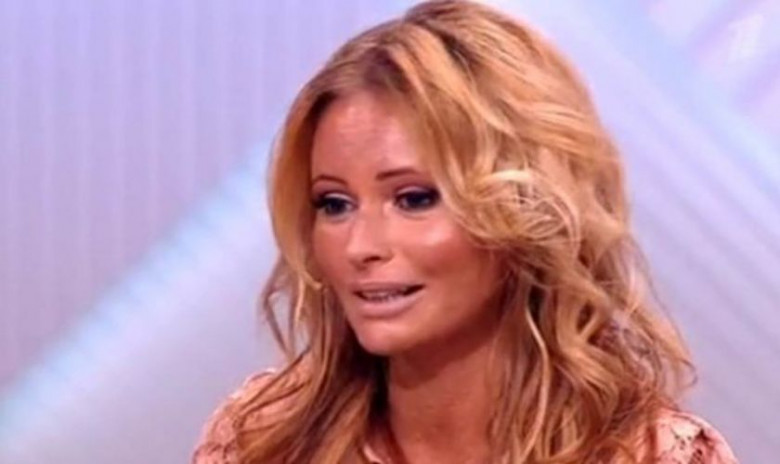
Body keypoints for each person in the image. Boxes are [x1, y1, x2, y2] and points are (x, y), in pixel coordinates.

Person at [192, 1, 738, 462]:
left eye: (414, 199)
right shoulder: (261, 440)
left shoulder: (648, 454)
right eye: (334, 204)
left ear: (526, 207)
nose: (359, 247)